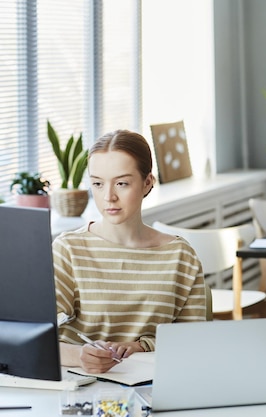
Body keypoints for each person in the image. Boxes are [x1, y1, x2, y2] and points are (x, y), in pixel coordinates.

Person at [53, 129, 207, 373]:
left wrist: (143, 346)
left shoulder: (180, 256)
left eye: (122, 183)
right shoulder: (69, 249)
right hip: (82, 387)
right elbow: (33, 338)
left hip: (155, 384)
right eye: (97, 184)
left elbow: (195, 341)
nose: (109, 197)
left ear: (147, 183)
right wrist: (79, 356)